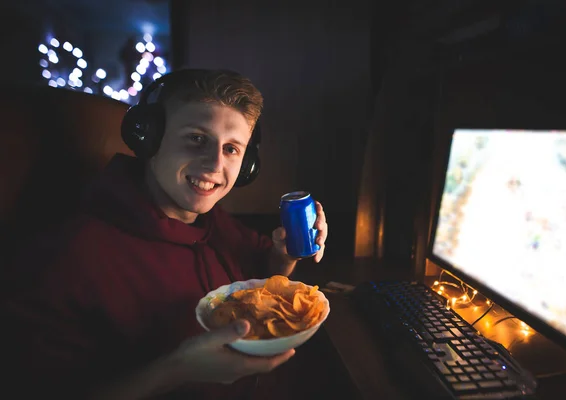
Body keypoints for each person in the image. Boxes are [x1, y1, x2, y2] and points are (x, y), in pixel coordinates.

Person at [2, 69, 328, 399]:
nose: (215, 165)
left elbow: (258, 270)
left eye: (231, 148)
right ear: (149, 138)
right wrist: (177, 370)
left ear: (247, 164)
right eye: (197, 139)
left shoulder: (212, 220)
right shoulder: (65, 259)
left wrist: (283, 254)